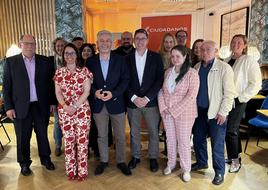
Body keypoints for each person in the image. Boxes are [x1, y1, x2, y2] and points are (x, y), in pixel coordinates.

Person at [3, 34, 56, 176]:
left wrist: (52, 102)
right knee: (22, 137)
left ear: (36, 45)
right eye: (26, 43)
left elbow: (51, 85)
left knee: (43, 135)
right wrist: (8, 107)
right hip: (20, 107)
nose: (30, 46)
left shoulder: (45, 61)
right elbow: (6, 87)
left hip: (41, 105)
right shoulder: (10, 62)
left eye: (32, 43)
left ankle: (46, 159)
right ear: (20, 45)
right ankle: (24, 163)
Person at [86, 30, 131, 176]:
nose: (104, 43)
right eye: (101, 41)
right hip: (99, 105)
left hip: (116, 103)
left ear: (111, 43)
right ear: (97, 44)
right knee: (102, 135)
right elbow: (87, 81)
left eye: (107, 41)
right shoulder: (90, 61)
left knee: (119, 136)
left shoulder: (120, 60)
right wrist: (94, 92)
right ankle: (104, 161)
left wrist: (114, 93)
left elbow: (125, 80)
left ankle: (121, 161)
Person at [192, 40, 236, 185]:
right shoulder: (197, 67)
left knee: (217, 144)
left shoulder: (224, 68)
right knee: (198, 140)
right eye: (202, 49)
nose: (204, 52)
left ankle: (219, 172)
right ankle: (202, 162)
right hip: (199, 112)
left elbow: (229, 93)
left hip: (216, 113)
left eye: (208, 49)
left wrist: (223, 112)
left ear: (216, 51)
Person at [158, 45, 199, 182]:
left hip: (185, 114)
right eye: (173, 56)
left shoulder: (192, 73)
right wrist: (163, 108)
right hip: (167, 113)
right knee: (170, 139)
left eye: (178, 56)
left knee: (183, 141)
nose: (174, 59)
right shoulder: (168, 72)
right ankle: (171, 163)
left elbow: (191, 96)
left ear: (185, 57)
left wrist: (173, 110)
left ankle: (186, 168)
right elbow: (162, 91)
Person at [126, 28, 164, 173]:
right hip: (133, 103)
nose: (140, 41)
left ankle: (153, 157)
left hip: (151, 102)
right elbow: (125, 81)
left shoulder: (156, 57)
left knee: (153, 131)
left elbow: (159, 80)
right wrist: (134, 98)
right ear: (134, 41)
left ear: (147, 40)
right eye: (138, 39)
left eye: (143, 38)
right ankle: (135, 157)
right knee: (134, 132)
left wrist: (147, 98)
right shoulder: (126, 59)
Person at [54, 43, 92, 181]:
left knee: (82, 142)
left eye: (72, 53)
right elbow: (57, 92)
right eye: (66, 53)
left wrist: (75, 106)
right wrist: (64, 106)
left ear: (77, 55)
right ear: (63, 56)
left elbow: (87, 91)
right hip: (64, 112)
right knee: (69, 142)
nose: (69, 56)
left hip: (82, 110)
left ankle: (82, 172)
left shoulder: (84, 71)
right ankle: (71, 171)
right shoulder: (59, 72)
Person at [225, 34, 262, 173]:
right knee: (232, 130)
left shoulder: (249, 61)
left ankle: (235, 162)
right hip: (226, 100)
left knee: (231, 130)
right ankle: (235, 156)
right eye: (233, 41)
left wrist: (240, 98)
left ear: (245, 45)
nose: (235, 44)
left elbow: (256, 84)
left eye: (239, 42)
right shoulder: (227, 60)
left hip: (238, 101)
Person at [49, 37, 66, 157]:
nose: (60, 48)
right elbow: (48, 84)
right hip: (56, 98)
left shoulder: (70, 58)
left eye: (62, 45)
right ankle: (58, 145)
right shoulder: (49, 61)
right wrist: (52, 102)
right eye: (58, 46)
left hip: (71, 98)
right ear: (55, 47)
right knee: (57, 123)